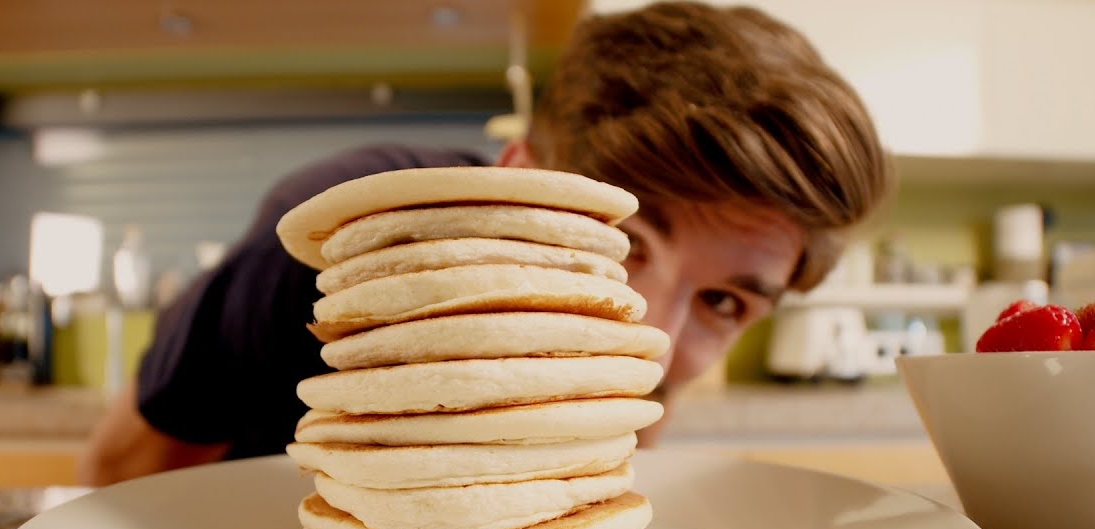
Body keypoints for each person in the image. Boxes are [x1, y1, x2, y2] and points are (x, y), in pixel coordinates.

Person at [79, 1, 890, 486]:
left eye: (722, 300)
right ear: (517, 176)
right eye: (624, 243)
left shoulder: (652, 358)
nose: (650, 343)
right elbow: (124, 474)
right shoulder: (335, 250)